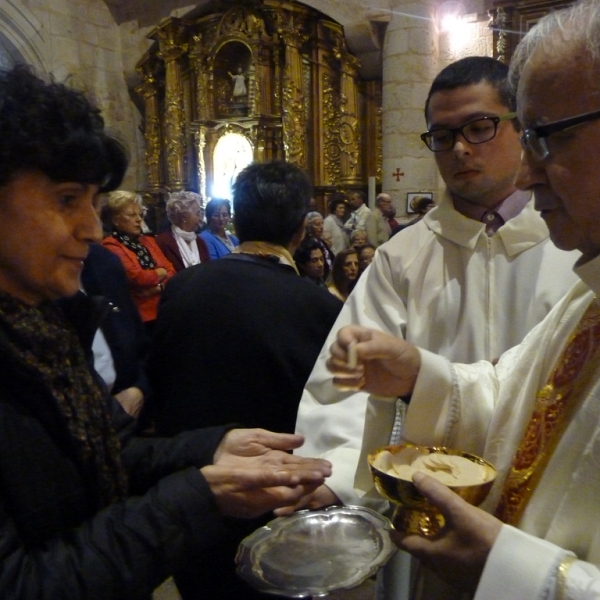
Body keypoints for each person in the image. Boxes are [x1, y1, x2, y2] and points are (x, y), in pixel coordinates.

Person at [0, 64, 331, 600]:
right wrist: (198, 497)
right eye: (66, 200)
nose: (91, 228)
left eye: (94, 203)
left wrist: (215, 446)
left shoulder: (44, 328)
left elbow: (108, 452)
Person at [326, 2, 600, 597]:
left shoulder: (575, 257)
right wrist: (418, 376)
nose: (529, 172)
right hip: (435, 521)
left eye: (546, 137)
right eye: (443, 136)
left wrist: (511, 570)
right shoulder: (404, 255)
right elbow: (510, 395)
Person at [147, 160, 343, 599]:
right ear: (299, 229)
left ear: (236, 216)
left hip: (194, 494)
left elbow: (162, 381)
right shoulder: (318, 308)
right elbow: (334, 413)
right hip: (280, 505)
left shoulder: (181, 288)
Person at [80, 242, 150, 419]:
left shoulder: (103, 261)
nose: (94, 232)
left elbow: (140, 345)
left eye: (96, 213)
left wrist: (139, 389)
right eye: (66, 212)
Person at [101, 190, 176, 332]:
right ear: (115, 220)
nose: (138, 220)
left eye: (140, 215)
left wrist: (158, 287)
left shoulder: (148, 241)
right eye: (131, 215)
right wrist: (160, 272)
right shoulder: (110, 245)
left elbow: (171, 270)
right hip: (140, 316)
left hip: (164, 308)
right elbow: (137, 277)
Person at [155, 190, 210, 272]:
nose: (200, 218)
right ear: (184, 217)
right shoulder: (163, 242)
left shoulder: (200, 242)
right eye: (197, 213)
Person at [305, 210, 335, 277]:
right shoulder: (306, 244)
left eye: (322, 223)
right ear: (309, 227)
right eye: (317, 224)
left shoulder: (321, 241)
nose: (321, 227)